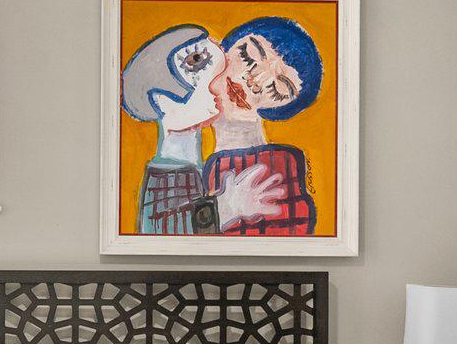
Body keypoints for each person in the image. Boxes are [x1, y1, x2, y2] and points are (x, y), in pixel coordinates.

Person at [119, 25, 284, 235]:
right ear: (161, 101)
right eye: (196, 61)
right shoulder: (168, 175)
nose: (219, 80)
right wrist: (223, 209)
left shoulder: (195, 164)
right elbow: (160, 232)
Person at [202, 15, 323, 235]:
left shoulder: (275, 177)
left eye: (278, 89)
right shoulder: (183, 132)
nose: (254, 81)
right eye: (248, 57)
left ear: (279, 110)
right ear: (223, 48)